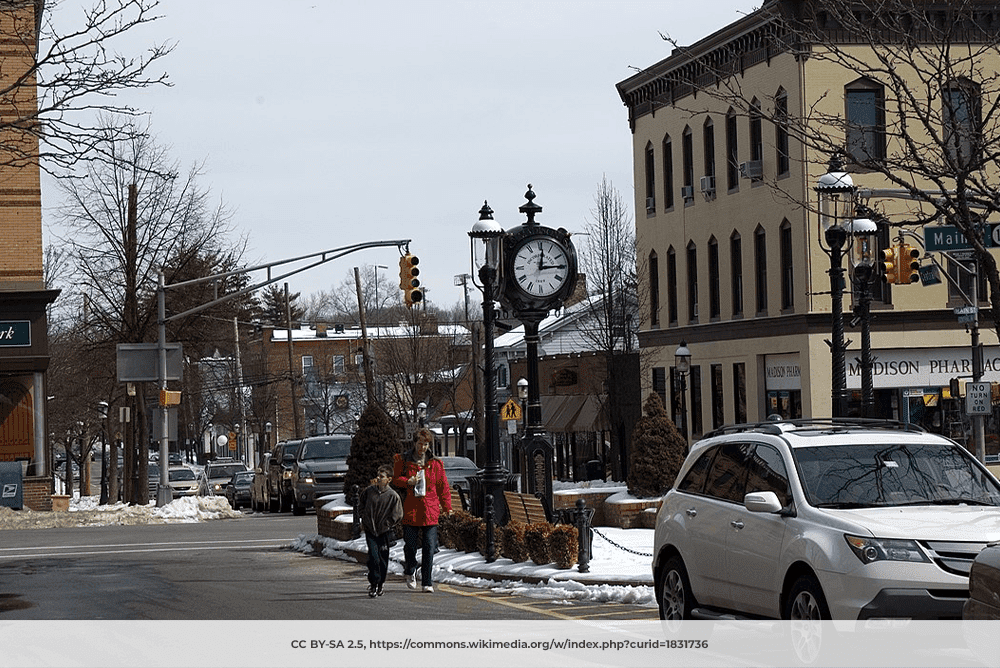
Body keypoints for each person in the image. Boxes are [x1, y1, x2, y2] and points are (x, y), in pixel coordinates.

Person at [393, 427, 451, 593]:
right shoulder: (403, 460)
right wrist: (407, 481)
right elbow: (395, 480)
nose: (423, 447)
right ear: (415, 443)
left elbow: (443, 487)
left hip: (430, 510)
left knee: (429, 546)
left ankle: (427, 581)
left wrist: (447, 507)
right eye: (420, 443)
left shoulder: (436, 464)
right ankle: (410, 569)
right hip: (410, 509)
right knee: (410, 545)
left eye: (426, 444)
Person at [359, 465, 403, 598]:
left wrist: (387, 524)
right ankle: (373, 583)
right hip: (370, 530)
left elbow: (398, 514)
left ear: (389, 479)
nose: (378, 478)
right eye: (378, 475)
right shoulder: (369, 491)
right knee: (373, 557)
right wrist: (364, 518)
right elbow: (361, 505)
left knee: (383, 559)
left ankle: (380, 584)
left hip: (384, 532)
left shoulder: (392, 496)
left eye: (382, 476)